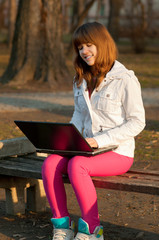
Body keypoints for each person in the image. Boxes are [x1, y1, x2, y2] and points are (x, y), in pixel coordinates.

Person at [42, 22, 145, 240]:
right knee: (51, 163)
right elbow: (79, 116)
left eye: (89, 45)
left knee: (77, 165)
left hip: (118, 152)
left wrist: (100, 141)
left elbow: (137, 122)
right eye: (80, 47)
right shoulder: (80, 78)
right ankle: (62, 227)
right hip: (85, 150)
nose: (84, 52)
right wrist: (66, 141)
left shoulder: (125, 79)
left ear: (103, 44)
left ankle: (92, 229)